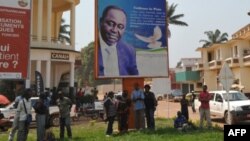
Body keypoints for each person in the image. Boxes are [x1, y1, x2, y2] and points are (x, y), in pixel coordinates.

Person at [98, 5, 139, 76]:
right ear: (101, 22)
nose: (114, 30)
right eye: (110, 24)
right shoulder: (94, 47)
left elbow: (134, 77)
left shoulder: (129, 51)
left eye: (120, 27)